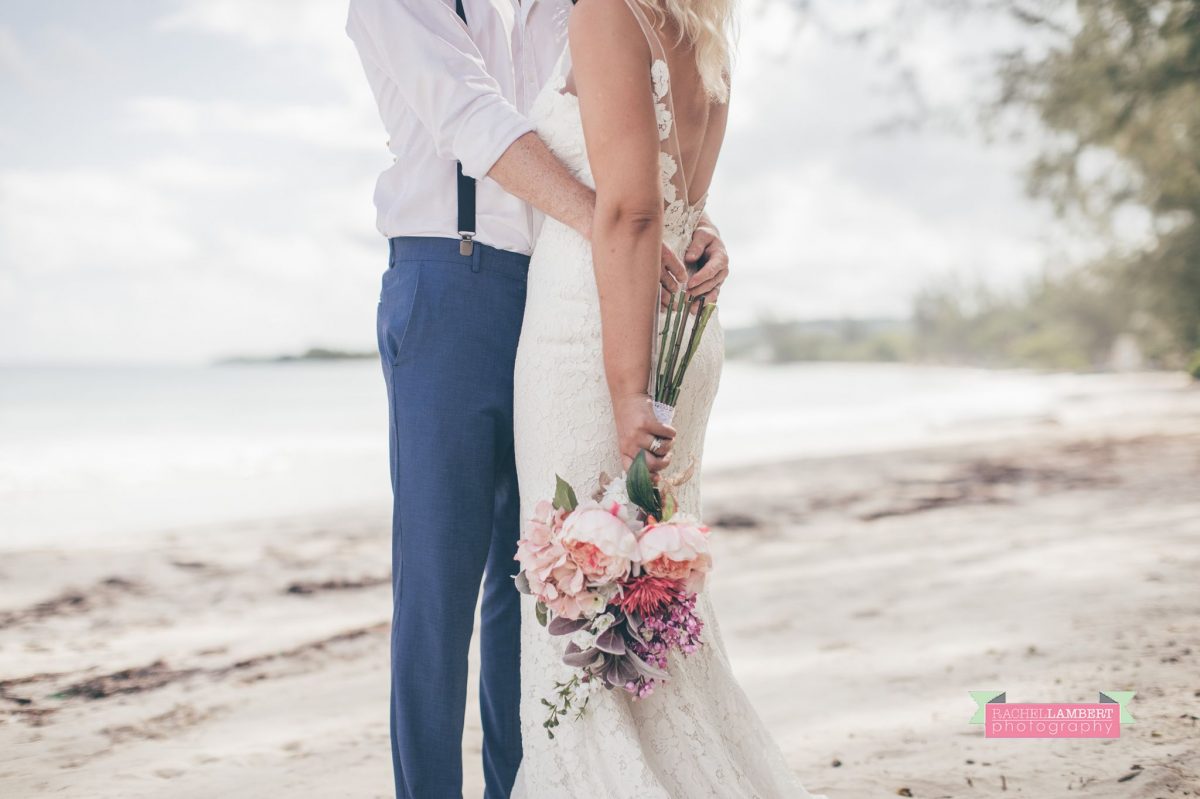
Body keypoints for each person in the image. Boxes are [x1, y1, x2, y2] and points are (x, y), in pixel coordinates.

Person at [345, 1, 732, 797]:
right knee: (438, 578)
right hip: (452, 279)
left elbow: (621, 142)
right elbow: (473, 117)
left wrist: (686, 221)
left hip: (565, 288)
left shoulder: (572, 7)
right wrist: (615, 229)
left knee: (532, 580)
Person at [508, 0, 828, 795]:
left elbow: (631, 209)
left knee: (580, 584)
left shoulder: (608, 11)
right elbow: (675, 191)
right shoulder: (703, 20)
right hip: (682, 316)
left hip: (599, 332)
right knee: (643, 586)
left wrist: (627, 391)